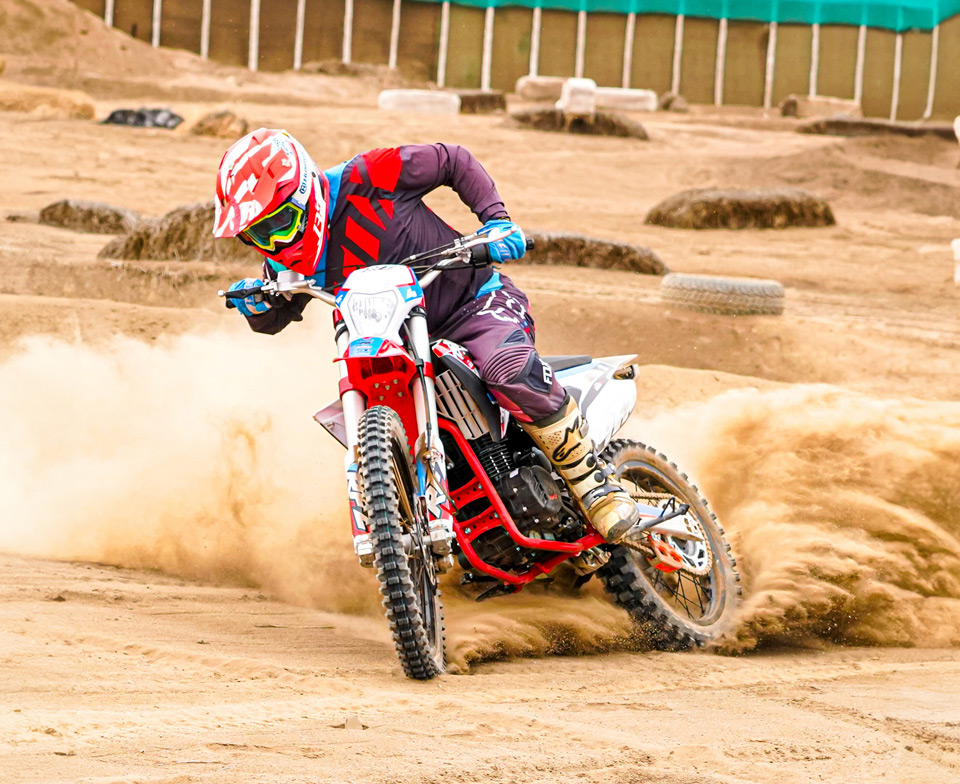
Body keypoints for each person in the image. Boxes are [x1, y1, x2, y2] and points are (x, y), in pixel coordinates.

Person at [214, 128, 639, 554]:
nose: (276, 243)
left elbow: (453, 159)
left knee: (506, 371)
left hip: (475, 303)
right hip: (394, 344)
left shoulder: (369, 175)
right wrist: (256, 305)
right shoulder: (284, 264)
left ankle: (595, 487)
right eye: (259, 235)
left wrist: (496, 222)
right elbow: (275, 318)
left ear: (306, 192)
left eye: (281, 223)